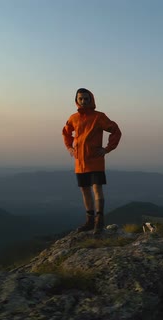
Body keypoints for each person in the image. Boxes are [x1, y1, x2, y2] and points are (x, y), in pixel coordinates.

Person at [62, 88, 122, 235]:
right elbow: (66, 132)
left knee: (96, 189)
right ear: (77, 100)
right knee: (85, 190)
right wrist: (69, 147)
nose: (83, 101)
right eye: (81, 99)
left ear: (91, 100)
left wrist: (107, 149)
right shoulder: (73, 118)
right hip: (79, 162)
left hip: (95, 160)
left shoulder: (99, 117)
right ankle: (89, 221)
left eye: (86, 99)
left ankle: (99, 222)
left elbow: (115, 130)